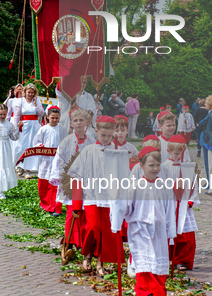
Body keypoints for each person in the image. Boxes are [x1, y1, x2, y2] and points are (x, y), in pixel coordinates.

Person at [111, 146, 176, 295]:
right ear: (142, 166)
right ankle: (144, 292)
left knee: (158, 267)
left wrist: (169, 231)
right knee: (144, 266)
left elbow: (169, 210)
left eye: (158, 165)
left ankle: (158, 292)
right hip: (140, 231)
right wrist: (118, 203)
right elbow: (127, 210)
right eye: (151, 165)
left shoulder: (164, 186)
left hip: (159, 232)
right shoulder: (135, 186)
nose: (155, 168)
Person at [68, 116, 123, 276]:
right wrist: (77, 205)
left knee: (106, 231)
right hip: (91, 196)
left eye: (109, 136)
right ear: (97, 131)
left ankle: (101, 261)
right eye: (103, 135)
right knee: (92, 227)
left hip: (110, 199)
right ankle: (87, 255)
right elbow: (77, 177)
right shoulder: (88, 151)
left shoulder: (117, 152)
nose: (106, 139)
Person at [50, 108, 94, 250]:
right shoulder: (66, 142)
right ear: (71, 123)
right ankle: (70, 240)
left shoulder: (92, 142)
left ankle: (82, 240)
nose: (79, 123)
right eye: (76, 120)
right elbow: (60, 161)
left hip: (86, 181)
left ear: (87, 122)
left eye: (81, 120)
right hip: (71, 181)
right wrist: (65, 178)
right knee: (71, 212)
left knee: (84, 211)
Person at [161, 135, 199, 271]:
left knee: (185, 236)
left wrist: (190, 201)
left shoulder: (188, 168)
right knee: (169, 233)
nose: (178, 156)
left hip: (183, 205)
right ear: (169, 151)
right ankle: (168, 258)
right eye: (176, 153)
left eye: (181, 153)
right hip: (170, 205)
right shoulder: (164, 167)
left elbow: (194, 186)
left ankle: (182, 259)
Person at [33, 106, 65, 216]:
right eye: (52, 118)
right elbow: (36, 141)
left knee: (56, 183)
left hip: (57, 160)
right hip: (45, 159)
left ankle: (56, 207)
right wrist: (40, 145)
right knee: (44, 183)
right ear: (47, 117)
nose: (55, 120)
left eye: (56, 118)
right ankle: (45, 204)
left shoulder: (62, 129)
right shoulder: (43, 129)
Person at [11, 83, 45, 178]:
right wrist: (15, 127)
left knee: (31, 146)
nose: (30, 94)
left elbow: (41, 113)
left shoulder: (36, 100)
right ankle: (19, 164)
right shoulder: (20, 101)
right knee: (21, 147)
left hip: (34, 126)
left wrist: (35, 105)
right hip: (24, 126)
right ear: (25, 92)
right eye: (28, 92)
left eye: (32, 92)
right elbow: (17, 115)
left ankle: (28, 169)